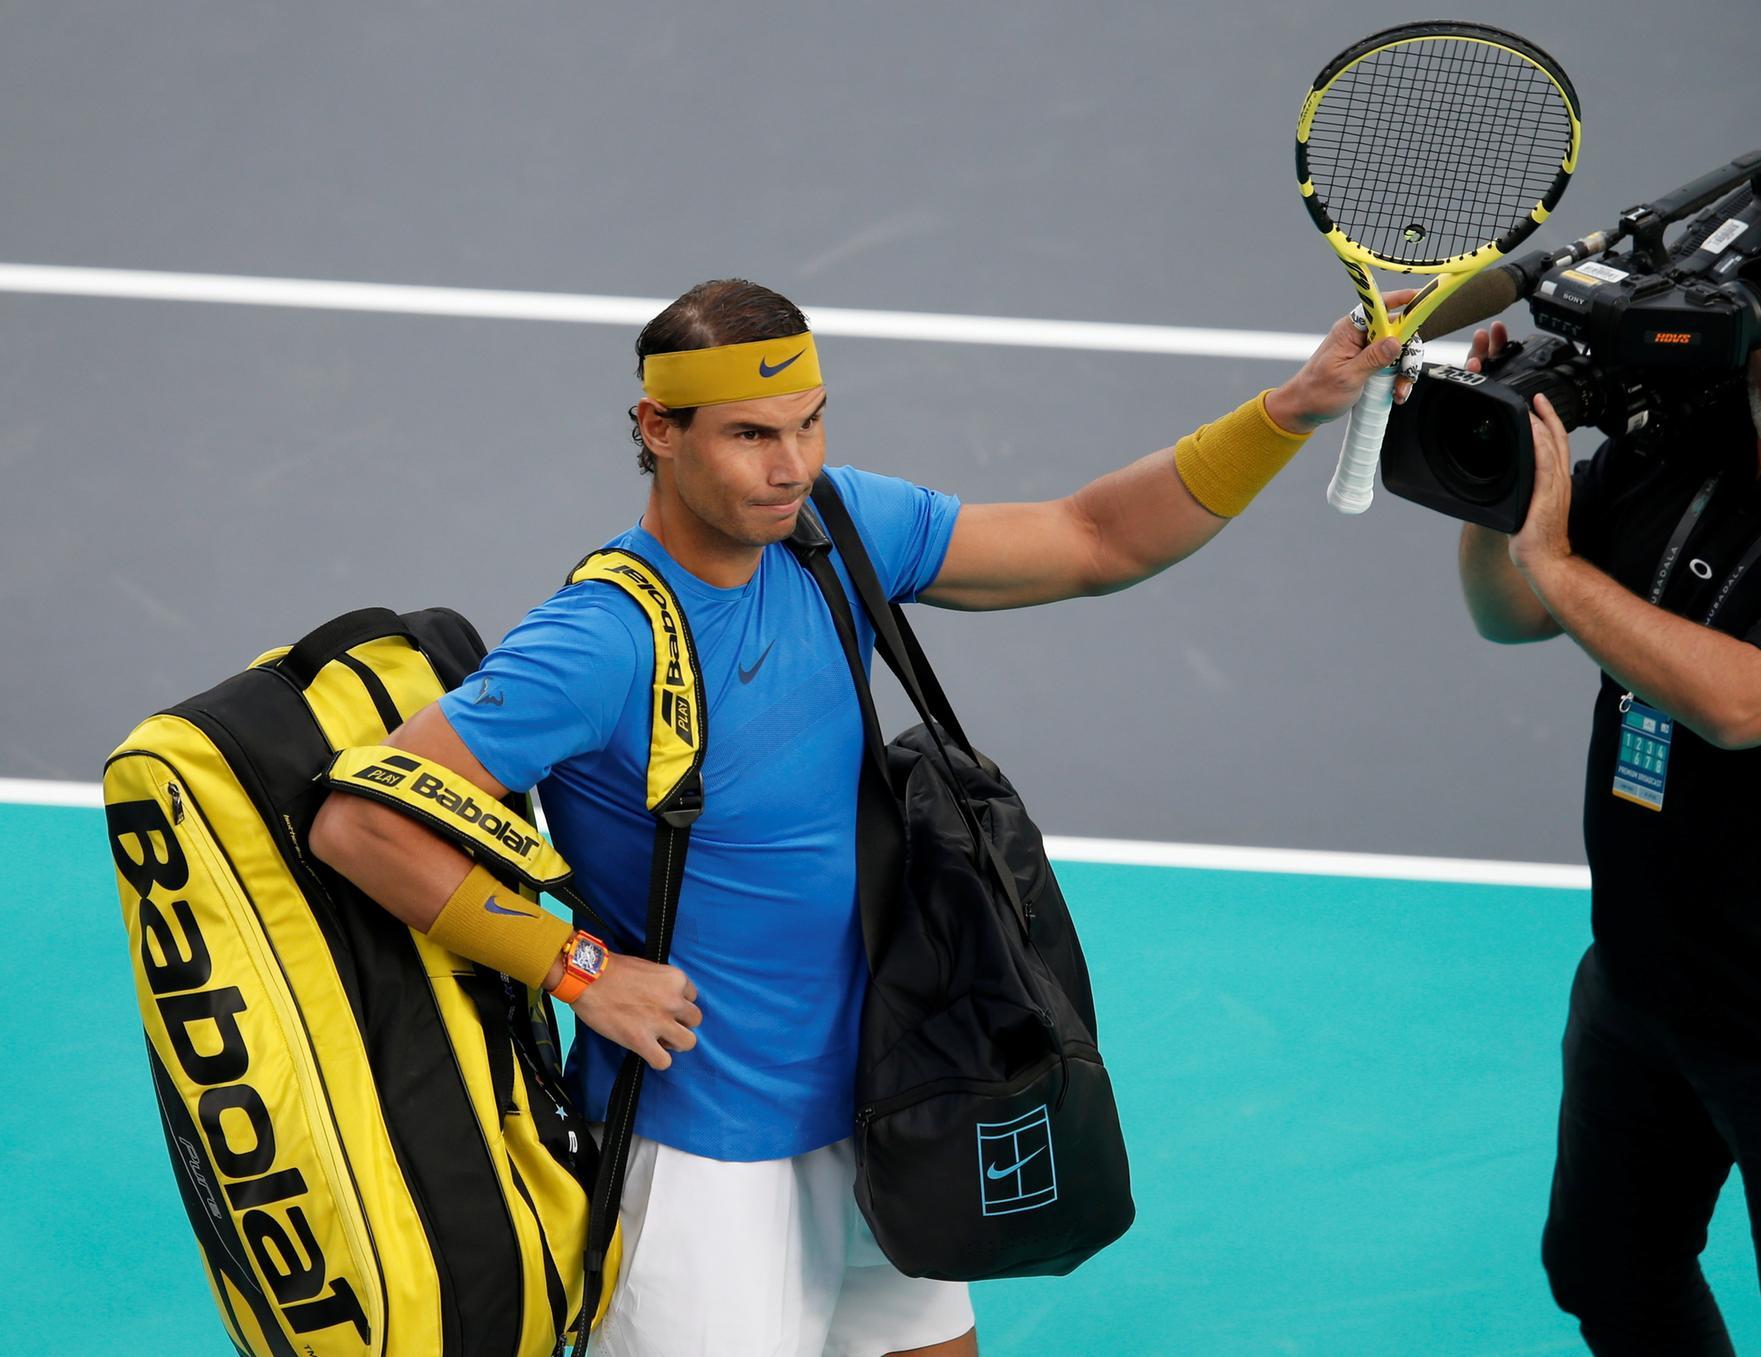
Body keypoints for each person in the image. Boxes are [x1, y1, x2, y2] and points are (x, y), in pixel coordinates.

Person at [309, 276, 1403, 1357]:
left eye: (809, 422)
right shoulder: (597, 642)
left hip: (884, 1100)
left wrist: (1290, 411)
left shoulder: (834, 529)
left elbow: (1093, 538)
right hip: (707, 1150)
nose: (792, 466)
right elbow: (361, 823)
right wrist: (575, 967)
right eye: (750, 434)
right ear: (659, 428)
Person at [1456, 193, 1761, 1356]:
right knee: (1607, 1277)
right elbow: (1509, 611)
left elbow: (1740, 702)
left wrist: (1559, 561)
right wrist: (1505, 469)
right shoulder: (1686, 446)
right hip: (1641, 988)